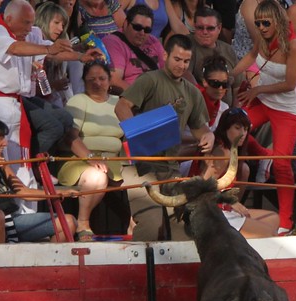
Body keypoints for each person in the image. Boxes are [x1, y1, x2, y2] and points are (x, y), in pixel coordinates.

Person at [115, 34, 214, 241]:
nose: (181, 65)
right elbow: (121, 106)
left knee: (183, 225)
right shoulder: (149, 79)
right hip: (140, 165)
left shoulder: (193, 93)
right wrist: (139, 135)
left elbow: (200, 128)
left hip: (170, 167)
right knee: (151, 224)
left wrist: (208, 136)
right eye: (177, 59)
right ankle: (140, 270)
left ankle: (178, 270)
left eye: (186, 61)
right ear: (165, 55)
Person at [233, 0, 296, 236]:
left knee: (282, 165)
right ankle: (263, 156)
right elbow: (251, 56)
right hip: (263, 101)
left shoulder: (293, 46)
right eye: (257, 23)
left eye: (266, 23)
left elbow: (290, 84)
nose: (261, 27)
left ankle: (286, 223)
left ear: (278, 22)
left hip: (287, 108)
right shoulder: (262, 39)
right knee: (234, 131)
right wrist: (227, 75)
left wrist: (257, 90)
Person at [0, 0, 74, 214]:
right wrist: (48, 48)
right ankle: (12, 216)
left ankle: (23, 215)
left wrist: (79, 55)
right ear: (10, 18)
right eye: (25, 22)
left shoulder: (32, 35)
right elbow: (16, 49)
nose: (29, 27)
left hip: (19, 102)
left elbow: (48, 59)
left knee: (21, 163)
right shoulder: (0, 31)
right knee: (11, 161)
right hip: (4, 103)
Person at [57, 60, 125, 240]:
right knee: (97, 175)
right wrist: (90, 157)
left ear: (110, 80)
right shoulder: (79, 101)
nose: (97, 83)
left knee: (145, 179)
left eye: (102, 78)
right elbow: (70, 137)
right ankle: (83, 223)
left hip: (116, 161)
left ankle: (138, 228)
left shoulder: (120, 103)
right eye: (91, 79)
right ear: (84, 82)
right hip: (80, 158)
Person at [201, 107, 279, 238]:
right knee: (269, 234)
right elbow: (201, 188)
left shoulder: (233, 152)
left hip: (227, 209)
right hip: (212, 213)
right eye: (237, 128)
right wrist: (229, 201)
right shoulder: (222, 152)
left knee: (274, 218)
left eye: (246, 129)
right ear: (225, 128)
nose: (243, 133)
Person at [0, 119, 77, 242]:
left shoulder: (2, 163)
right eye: (0, 137)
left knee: (68, 222)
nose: (5, 143)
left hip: (11, 222)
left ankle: (48, 260)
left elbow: (22, 192)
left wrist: (60, 193)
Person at [188, 7, 242, 106]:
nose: (205, 32)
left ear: (219, 28)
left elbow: (237, 88)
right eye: (200, 28)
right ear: (194, 27)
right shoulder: (187, 46)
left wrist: (233, 114)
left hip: (226, 112)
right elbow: (186, 78)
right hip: (201, 110)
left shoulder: (228, 49)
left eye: (210, 28)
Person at [102, 4, 164, 91]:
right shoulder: (113, 42)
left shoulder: (153, 41)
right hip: (133, 98)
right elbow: (114, 80)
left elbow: (167, 71)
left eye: (147, 30)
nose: (142, 33)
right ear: (126, 23)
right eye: (137, 27)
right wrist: (141, 97)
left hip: (158, 94)